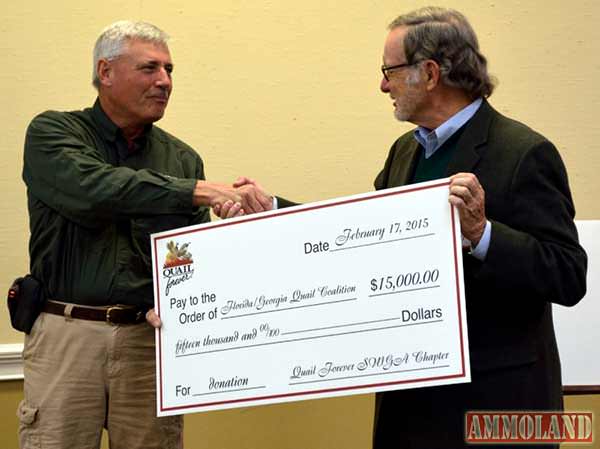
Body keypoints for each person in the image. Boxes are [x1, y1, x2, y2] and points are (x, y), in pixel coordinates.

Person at [19, 20, 273, 449]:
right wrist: (196, 191)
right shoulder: (53, 133)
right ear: (105, 72)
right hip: (67, 334)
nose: (164, 82)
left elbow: (186, 255)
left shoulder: (182, 157)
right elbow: (93, 190)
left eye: (170, 70)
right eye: (149, 68)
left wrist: (228, 226)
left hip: (147, 341)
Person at [372, 7, 587, 448]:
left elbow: (568, 274)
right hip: (411, 409)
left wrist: (482, 235)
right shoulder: (402, 154)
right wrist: (274, 211)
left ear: (430, 74)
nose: (382, 85)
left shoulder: (524, 152)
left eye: (389, 70)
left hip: (497, 410)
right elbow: (369, 238)